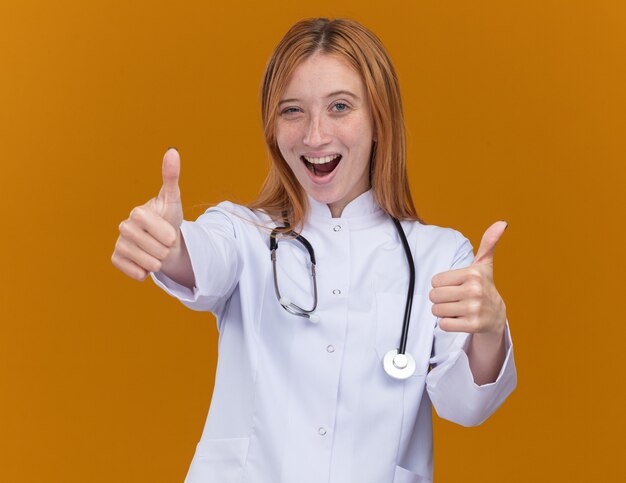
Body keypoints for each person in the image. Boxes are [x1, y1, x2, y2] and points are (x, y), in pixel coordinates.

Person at [111, 17, 516, 483]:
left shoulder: (440, 256)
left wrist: (490, 327)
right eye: (292, 111)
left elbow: (466, 406)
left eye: (339, 107)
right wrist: (168, 243)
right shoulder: (243, 232)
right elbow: (201, 257)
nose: (315, 135)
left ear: (380, 118)